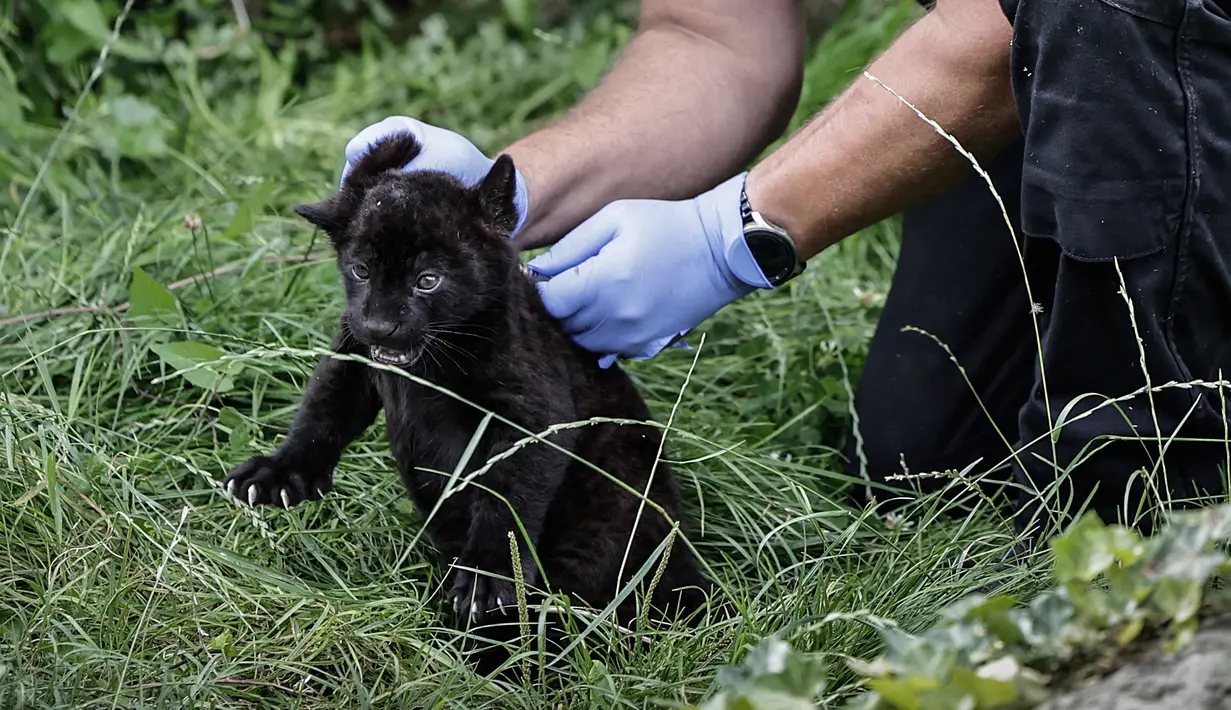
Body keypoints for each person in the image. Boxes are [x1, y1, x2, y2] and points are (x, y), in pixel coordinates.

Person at [339, 0, 1231, 537]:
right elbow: (713, 40)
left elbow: (1021, 24)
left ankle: (1165, 560)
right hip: (1092, 59)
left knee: (1132, 477)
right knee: (930, 463)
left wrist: (739, 231)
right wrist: (503, 199)